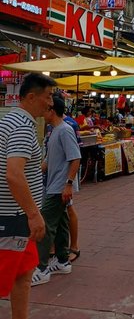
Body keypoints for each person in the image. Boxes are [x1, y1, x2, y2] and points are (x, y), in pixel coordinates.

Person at [0, 72, 55, 319]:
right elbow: (14, 174)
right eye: (48, 96)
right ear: (31, 97)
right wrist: (33, 214)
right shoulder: (22, 126)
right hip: (13, 217)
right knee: (4, 277)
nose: (51, 103)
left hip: (17, 217)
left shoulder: (10, 120)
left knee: (23, 275)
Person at [32, 93, 81, 286]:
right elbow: (49, 161)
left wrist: (68, 184)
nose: (43, 113)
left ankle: (41, 268)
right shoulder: (54, 131)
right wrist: (34, 173)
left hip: (59, 186)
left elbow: (75, 158)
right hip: (55, 185)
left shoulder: (64, 130)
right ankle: (61, 261)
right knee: (61, 224)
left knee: (46, 224)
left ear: (52, 111)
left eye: (46, 109)